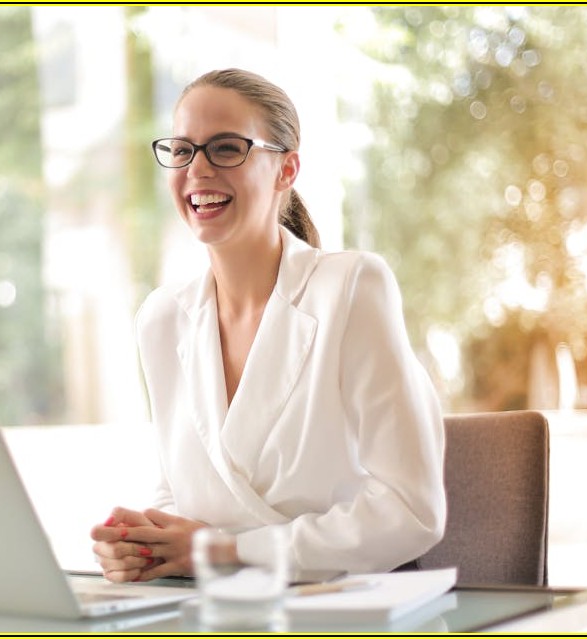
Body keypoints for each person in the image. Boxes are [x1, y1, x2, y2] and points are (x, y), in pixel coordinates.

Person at [89, 68, 446, 583]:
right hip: (221, 611)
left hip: (342, 606)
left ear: (286, 169)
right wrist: (144, 545)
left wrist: (227, 550)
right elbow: (178, 492)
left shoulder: (350, 288)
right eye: (183, 150)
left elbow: (411, 511)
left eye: (227, 148)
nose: (198, 169)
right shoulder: (162, 320)